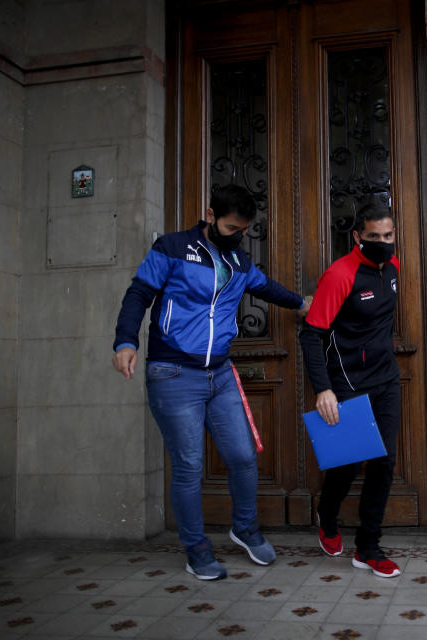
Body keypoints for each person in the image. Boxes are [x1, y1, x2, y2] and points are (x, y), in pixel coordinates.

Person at [112, 184, 308, 580]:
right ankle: (196, 549)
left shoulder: (238, 260)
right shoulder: (172, 247)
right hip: (173, 373)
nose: (237, 235)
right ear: (210, 213)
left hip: (219, 374)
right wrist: (125, 341)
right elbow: (138, 294)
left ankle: (245, 528)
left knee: (242, 456)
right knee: (188, 466)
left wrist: (302, 304)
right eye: (232, 226)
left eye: (244, 230)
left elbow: (266, 287)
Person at [299, 205, 403, 578]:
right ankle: (327, 516)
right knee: (346, 465)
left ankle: (368, 547)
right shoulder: (340, 274)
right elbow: (311, 334)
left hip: (386, 379)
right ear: (358, 237)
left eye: (387, 236)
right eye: (373, 237)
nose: (382, 243)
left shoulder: (393, 268)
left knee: (385, 462)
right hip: (346, 382)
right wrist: (323, 389)